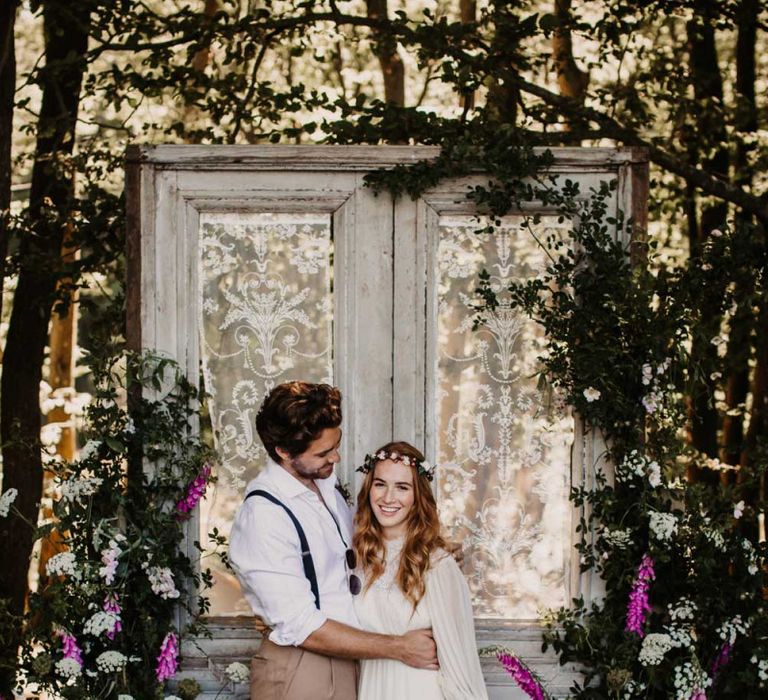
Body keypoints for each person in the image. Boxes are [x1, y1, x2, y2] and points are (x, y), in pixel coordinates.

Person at [229, 382, 438, 700]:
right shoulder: (264, 516)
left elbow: (364, 548)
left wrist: (431, 549)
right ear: (284, 452)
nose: (336, 457)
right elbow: (302, 625)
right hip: (303, 667)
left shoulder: (322, 484)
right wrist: (398, 647)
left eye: (335, 445)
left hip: (351, 658)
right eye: (323, 453)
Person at [353, 441, 488, 700]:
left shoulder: (438, 564)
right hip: (372, 689)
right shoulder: (360, 557)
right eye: (380, 484)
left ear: (418, 497)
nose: (388, 497)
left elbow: (459, 665)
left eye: (402, 487)